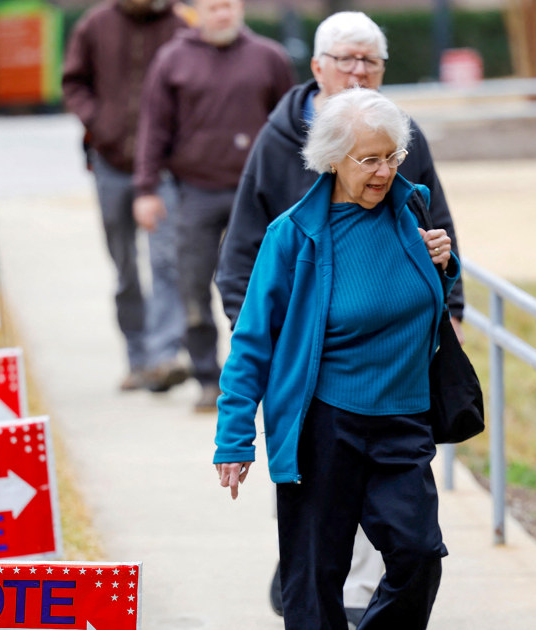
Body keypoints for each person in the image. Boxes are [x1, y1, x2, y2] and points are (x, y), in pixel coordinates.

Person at [216, 15, 464, 622]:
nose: (384, 172)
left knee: (418, 555)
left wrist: (445, 270)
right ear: (332, 159)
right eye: (369, 160)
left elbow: (423, 302)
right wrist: (234, 434)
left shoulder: (412, 213)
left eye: (393, 157)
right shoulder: (293, 235)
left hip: (403, 420)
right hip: (324, 423)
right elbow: (252, 341)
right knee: (313, 579)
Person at [133, 0, 294, 411]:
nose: (222, 13)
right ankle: (208, 378)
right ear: (197, 12)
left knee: (266, 284)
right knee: (192, 285)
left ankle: (268, 372)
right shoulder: (172, 59)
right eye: (213, 6)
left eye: (228, 5)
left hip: (257, 194)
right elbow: (153, 127)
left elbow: (292, 127)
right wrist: (146, 189)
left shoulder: (269, 57)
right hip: (196, 192)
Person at [61, 0, 190, 393]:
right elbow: (73, 82)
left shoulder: (180, 27)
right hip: (111, 162)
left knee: (166, 260)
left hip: (164, 165)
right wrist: (99, 121)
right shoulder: (95, 24)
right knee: (125, 267)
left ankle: (164, 355)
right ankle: (137, 358)